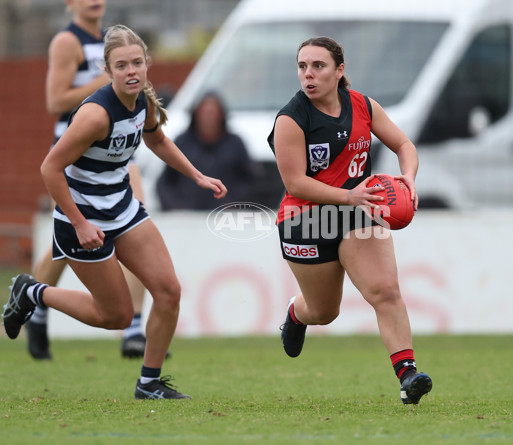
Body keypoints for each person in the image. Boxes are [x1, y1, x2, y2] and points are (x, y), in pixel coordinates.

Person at [2, 24, 227, 399]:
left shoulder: (145, 102)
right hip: (81, 220)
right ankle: (33, 293)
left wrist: (197, 175)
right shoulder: (94, 115)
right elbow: (49, 169)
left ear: (147, 64)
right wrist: (79, 222)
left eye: (137, 63)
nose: (131, 71)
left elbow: (157, 139)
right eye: (121, 66)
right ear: (107, 72)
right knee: (117, 317)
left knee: (169, 291)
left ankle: (149, 384)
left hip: (123, 210)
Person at [267, 36, 432, 405]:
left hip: (360, 210)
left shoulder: (362, 105)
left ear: (339, 71)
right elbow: (294, 182)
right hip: (306, 218)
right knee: (324, 311)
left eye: (318, 66)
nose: (308, 74)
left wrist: (408, 177)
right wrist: (348, 195)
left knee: (385, 291)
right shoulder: (290, 119)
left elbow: (404, 146)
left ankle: (408, 376)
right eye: (302, 67)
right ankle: (297, 314)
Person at [27, 0, 149, 360]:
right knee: (66, 243)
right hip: (77, 155)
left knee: (137, 223)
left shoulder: (114, 38)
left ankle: (135, 328)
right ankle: (36, 306)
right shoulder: (68, 42)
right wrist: (107, 81)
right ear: (69, 3)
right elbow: (55, 101)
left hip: (119, 147)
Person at [156, 91, 255, 210]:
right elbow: (165, 182)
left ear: (221, 115)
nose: (209, 117)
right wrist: (175, 207)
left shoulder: (235, 144)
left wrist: (234, 204)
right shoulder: (182, 143)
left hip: (225, 217)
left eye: (213, 113)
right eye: (205, 112)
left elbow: (250, 181)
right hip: (186, 218)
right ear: (196, 114)